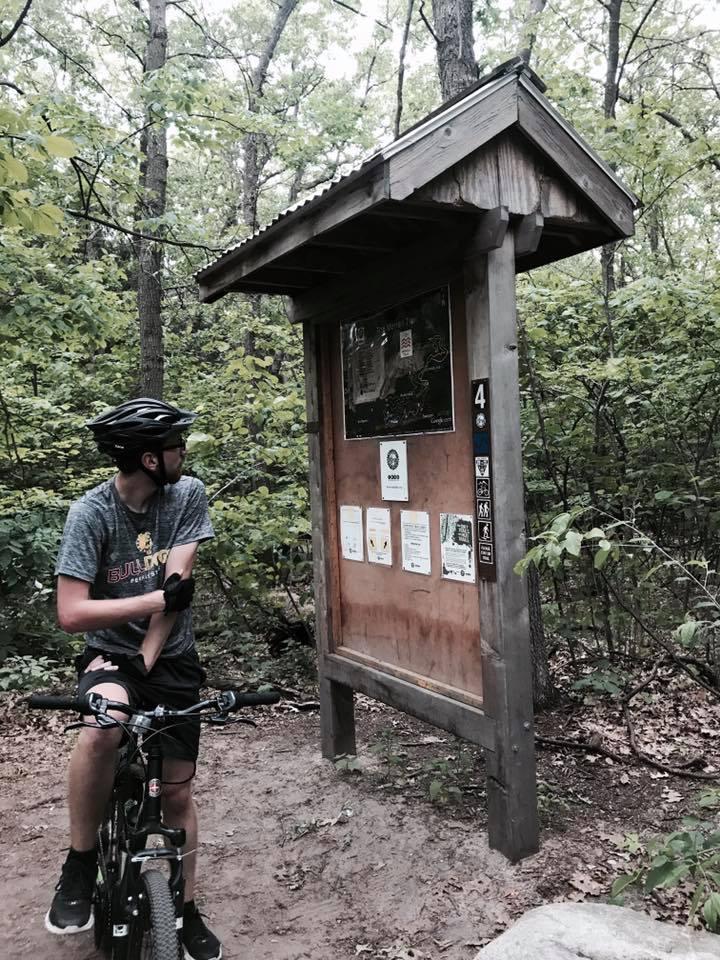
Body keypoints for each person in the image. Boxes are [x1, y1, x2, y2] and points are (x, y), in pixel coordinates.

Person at [46, 397, 222, 960]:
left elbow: (180, 587)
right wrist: (147, 604)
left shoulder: (186, 496)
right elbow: (72, 613)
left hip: (168, 658)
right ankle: (79, 865)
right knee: (103, 726)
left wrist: (149, 654)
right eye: (174, 445)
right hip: (108, 658)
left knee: (177, 793)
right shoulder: (90, 514)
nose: (182, 453)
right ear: (149, 459)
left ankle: (186, 909)